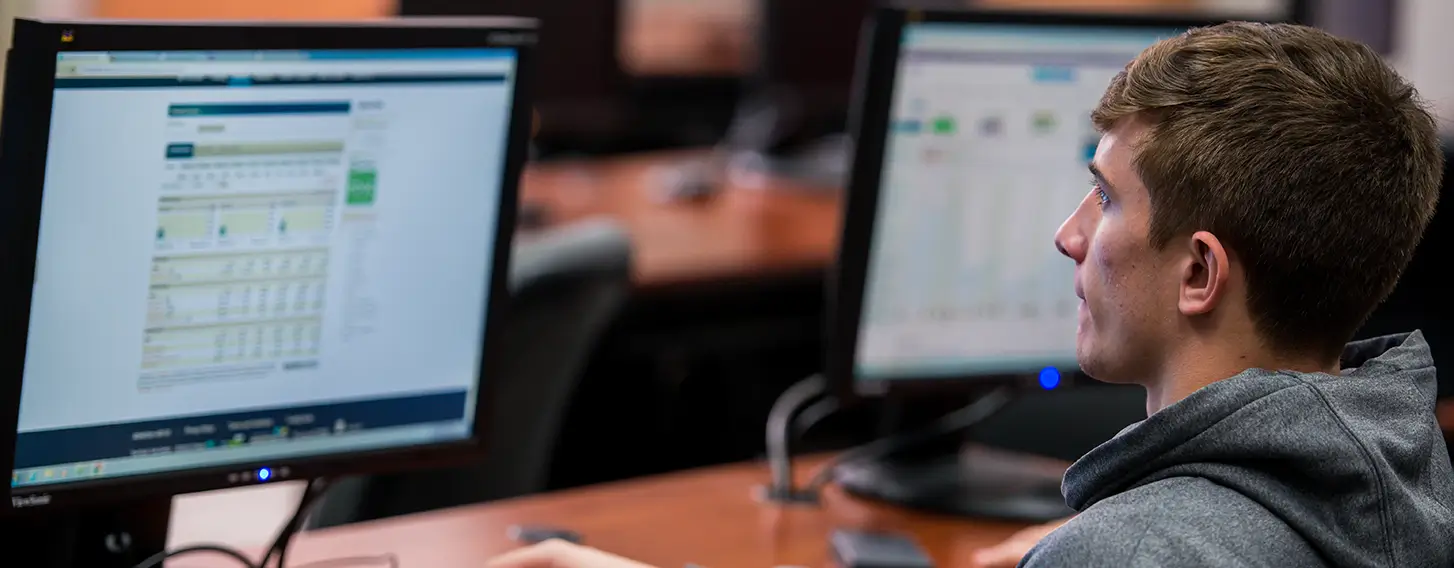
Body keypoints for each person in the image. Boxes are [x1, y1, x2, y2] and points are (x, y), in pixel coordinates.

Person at [487, 21, 1454, 568]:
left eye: (1107, 197)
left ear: (1199, 272)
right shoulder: (1395, 467)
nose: (1069, 234)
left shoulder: (1141, 553)